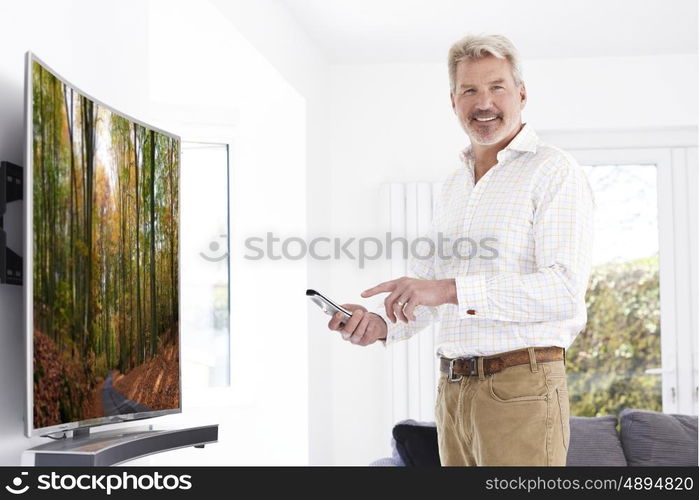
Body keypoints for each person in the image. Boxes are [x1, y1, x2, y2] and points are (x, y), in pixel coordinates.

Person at [327, 34, 594, 466]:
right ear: (453, 101)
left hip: (522, 388)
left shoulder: (553, 170)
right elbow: (427, 294)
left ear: (521, 94)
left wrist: (449, 289)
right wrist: (380, 325)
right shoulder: (454, 185)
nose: (483, 102)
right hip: (453, 391)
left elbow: (562, 291)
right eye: (470, 90)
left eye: (496, 87)